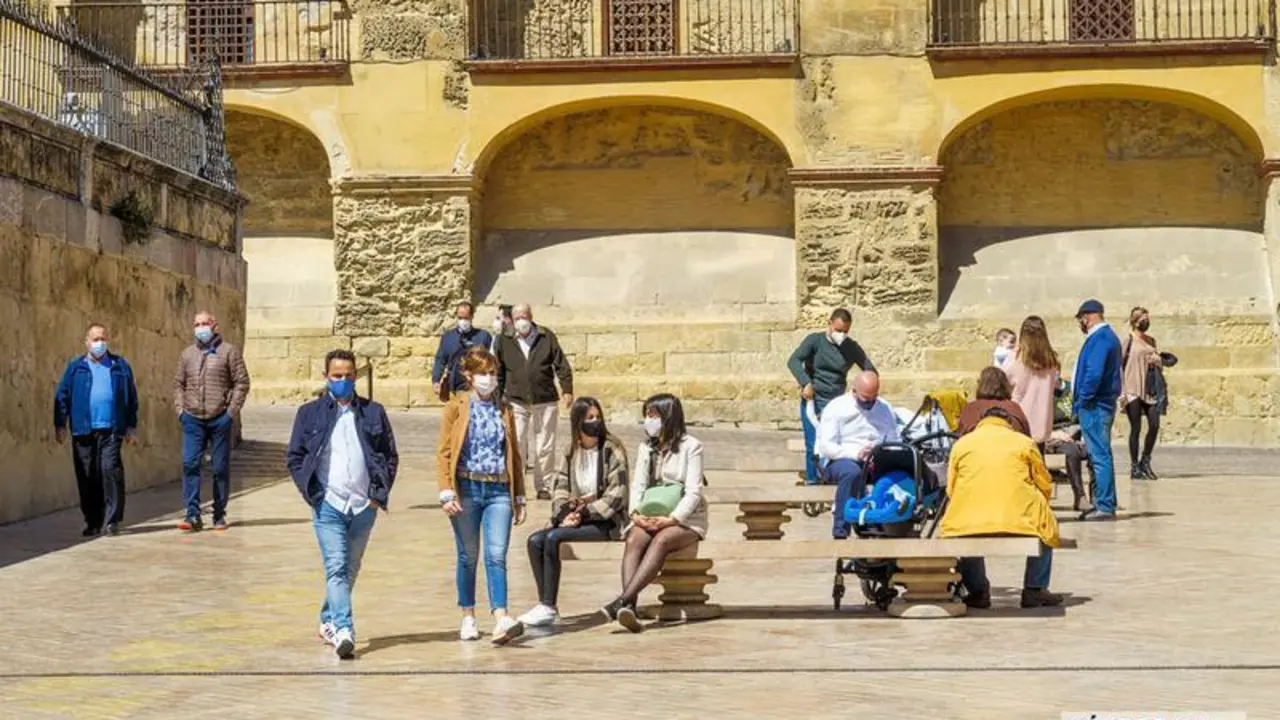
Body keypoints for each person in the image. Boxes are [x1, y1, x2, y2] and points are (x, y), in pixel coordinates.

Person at [286, 350, 399, 659]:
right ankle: (345, 630)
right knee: (335, 566)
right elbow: (295, 457)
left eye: (348, 375)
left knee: (350, 568)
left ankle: (327, 619)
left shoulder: (373, 412)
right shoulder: (309, 414)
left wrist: (378, 495)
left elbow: (389, 455)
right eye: (337, 376)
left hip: (363, 504)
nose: (343, 380)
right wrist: (313, 495)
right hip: (329, 503)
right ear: (327, 377)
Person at [437, 347, 528, 645]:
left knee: (496, 554)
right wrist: (446, 490)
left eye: (492, 373)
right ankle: (468, 615)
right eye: (482, 373)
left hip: (499, 489)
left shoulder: (505, 409)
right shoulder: (456, 407)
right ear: (468, 375)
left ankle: (501, 616)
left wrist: (519, 497)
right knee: (468, 556)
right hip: (468, 488)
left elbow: (513, 453)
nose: (488, 379)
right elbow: (445, 451)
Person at [518, 397, 630, 628]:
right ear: (578, 421)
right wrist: (563, 513)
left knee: (553, 537)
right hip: (577, 516)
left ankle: (548, 605)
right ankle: (546, 604)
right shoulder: (571, 451)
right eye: (589, 418)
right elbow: (560, 486)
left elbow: (617, 495)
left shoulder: (612, 449)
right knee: (534, 541)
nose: (594, 421)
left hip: (607, 521)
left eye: (597, 417)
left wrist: (584, 513)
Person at [601, 394, 706, 633]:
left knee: (661, 541)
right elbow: (638, 485)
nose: (649, 421)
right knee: (634, 539)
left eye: (653, 415)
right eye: (647, 415)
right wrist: (636, 514)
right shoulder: (646, 448)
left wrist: (672, 519)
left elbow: (693, 491)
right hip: (650, 513)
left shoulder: (692, 447)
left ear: (669, 417)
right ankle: (629, 606)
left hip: (685, 519)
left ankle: (622, 602)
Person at [940, 405, 1063, 609]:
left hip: (971, 520)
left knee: (965, 526)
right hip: (1020, 519)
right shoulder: (1024, 443)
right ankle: (1034, 588)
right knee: (1046, 523)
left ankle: (978, 590)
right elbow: (1044, 483)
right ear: (1008, 423)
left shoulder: (962, 444)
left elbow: (951, 488)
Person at [53, 323, 139, 537]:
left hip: (111, 429)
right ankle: (93, 520)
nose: (100, 343)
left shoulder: (120, 366)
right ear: (87, 342)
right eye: (95, 339)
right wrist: (60, 424)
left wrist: (130, 426)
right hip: (83, 431)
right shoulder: (76, 368)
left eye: (103, 338)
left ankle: (112, 520)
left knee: (111, 471)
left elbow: (131, 398)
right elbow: (62, 395)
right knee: (87, 476)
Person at [173, 311, 251, 532]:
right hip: (192, 418)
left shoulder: (229, 352)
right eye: (197, 324)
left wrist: (230, 413)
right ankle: (192, 514)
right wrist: (180, 410)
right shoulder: (187, 354)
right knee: (190, 464)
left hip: (220, 419)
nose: (201, 327)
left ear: (214, 325)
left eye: (205, 323)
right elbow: (178, 383)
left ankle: (219, 513)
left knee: (219, 467)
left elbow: (241, 383)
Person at [786, 308, 877, 486]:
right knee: (814, 442)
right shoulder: (815, 341)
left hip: (836, 402)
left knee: (834, 443)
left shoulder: (851, 347)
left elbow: (870, 370)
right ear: (829, 324)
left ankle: (830, 478)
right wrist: (805, 382)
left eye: (845, 331)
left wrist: (860, 389)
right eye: (838, 330)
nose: (841, 335)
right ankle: (813, 481)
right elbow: (794, 360)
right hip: (814, 399)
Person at [494, 304, 573, 501]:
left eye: (525, 316)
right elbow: (499, 369)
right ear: (512, 319)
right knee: (517, 441)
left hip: (545, 398)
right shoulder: (505, 340)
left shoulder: (546, 336)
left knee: (545, 445)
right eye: (518, 316)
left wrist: (567, 389)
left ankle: (544, 486)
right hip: (516, 399)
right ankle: (516, 485)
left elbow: (561, 364)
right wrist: (497, 397)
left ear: (531, 316)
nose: (522, 320)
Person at [816, 371, 899, 539]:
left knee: (897, 473)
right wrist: (856, 454)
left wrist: (879, 452)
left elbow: (894, 438)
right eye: (865, 399)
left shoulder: (884, 408)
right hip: (840, 458)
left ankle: (887, 526)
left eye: (873, 398)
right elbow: (827, 446)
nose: (869, 403)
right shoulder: (837, 407)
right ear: (854, 391)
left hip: (874, 458)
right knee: (852, 472)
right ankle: (841, 529)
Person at [1072, 299, 1123, 521]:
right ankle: (1103, 501)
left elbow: (1093, 373)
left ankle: (1105, 505)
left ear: (1087, 316)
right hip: (1098, 404)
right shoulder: (1104, 337)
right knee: (1099, 454)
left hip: (1095, 406)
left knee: (1099, 455)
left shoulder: (1101, 339)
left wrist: (1083, 399)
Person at [1001, 316, 1060, 449]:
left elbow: (1003, 381)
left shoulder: (1015, 358)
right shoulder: (1052, 360)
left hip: (1018, 420)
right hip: (1042, 422)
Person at [1121, 306, 1163, 480]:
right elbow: (1119, 365)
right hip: (1132, 388)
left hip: (1150, 389)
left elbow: (1156, 363)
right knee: (1136, 428)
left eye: (1147, 318)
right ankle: (1134, 466)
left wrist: (1158, 361)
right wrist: (1121, 391)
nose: (1146, 322)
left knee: (1154, 425)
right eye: (1142, 319)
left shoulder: (1151, 341)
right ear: (1135, 321)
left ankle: (1145, 460)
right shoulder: (1128, 341)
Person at [432, 301, 494, 402]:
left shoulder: (483, 336)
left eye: (466, 318)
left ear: (472, 316)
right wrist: (436, 380)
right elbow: (440, 359)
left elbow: (491, 362)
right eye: (460, 318)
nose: (463, 321)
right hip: (454, 387)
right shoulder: (448, 337)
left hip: (477, 388)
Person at [956, 367, 1031, 438]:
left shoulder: (970, 409)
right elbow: (1026, 436)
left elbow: (960, 437)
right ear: (1005, 385)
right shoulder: (1014, 408)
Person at [1045, 423, 1094, 512]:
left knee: (1095, 451)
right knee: (1072, 452)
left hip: (1073, 434)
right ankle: (1080, 496)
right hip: (1049, 436)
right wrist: (1052, 434)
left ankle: (1097, 498)